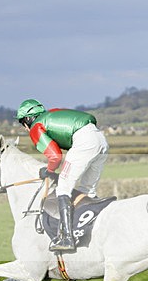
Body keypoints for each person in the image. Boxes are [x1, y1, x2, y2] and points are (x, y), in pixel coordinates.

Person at [16, 99, 109, 252]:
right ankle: (91, 230)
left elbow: (55, 156)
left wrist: (49, 171)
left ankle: (67, 238)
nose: (25, 128)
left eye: (22, 123)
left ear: (27, 119)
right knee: (87, 191)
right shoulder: (52, 114)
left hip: (84, 141)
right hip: (100, 139)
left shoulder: (36, 127)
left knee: (63, 189)